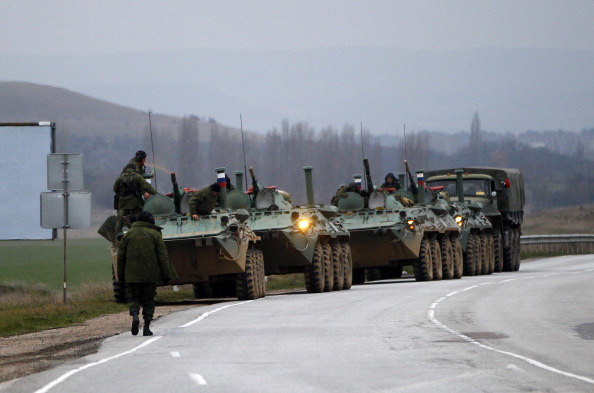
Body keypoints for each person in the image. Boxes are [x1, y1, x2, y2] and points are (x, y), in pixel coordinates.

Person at [117, 211, 175, 336]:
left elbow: (121, 256)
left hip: (131, 275)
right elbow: (162, 256)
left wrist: (121, 275)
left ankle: (135, 317)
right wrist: (167, 275)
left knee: (133, 298)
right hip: (150, 275)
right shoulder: (155, 234)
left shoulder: (128, 234)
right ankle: (147, 327)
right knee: (149, 300)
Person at [113, 163, 158, 237]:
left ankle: (116, 241)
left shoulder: (120, 178)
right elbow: (147, 187)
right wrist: (157, 194)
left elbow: (115, 189)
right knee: (142, 218)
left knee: (119, 222)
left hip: (121, 205)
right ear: (135, 169)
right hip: (134, 204)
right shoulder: (137, 177)